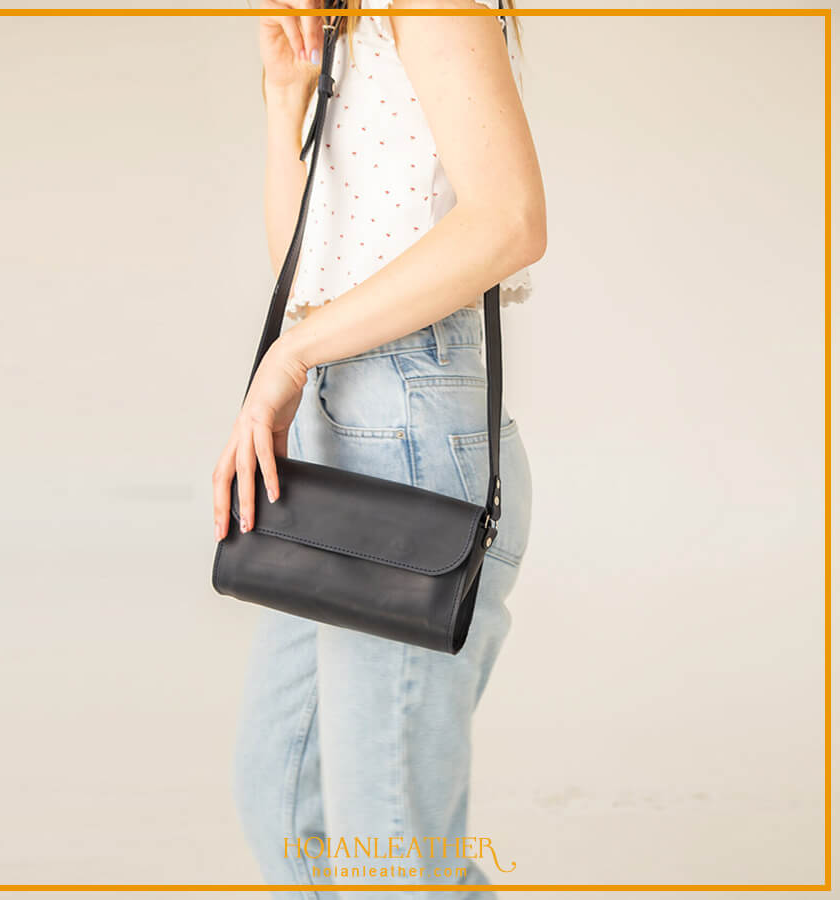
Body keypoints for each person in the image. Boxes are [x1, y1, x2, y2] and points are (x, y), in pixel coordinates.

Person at [211, 0, 546, 895]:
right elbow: (307, 274)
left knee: (389, 850)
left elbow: (510, 218)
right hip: (341, 421)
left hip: (408, 421)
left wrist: (290, 358)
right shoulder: (348, 23)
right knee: (288, 806)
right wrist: (286, 98)